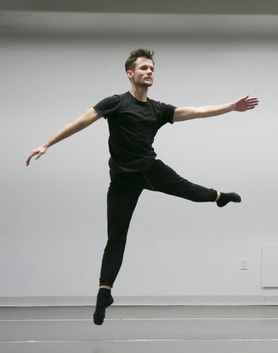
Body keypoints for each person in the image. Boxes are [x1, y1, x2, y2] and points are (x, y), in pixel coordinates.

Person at [26, 49, 259, 326]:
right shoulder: (115, 103)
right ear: (130, 73)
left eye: (152, 69)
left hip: (149, 170)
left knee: (190, 191)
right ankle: (104, 292)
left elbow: (195, 112)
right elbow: (79, 123)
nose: (149, 72)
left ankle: (218, 196)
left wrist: (231, 107)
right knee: (116, 237)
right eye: (144, 68)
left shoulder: (157, 109)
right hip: (122, 179)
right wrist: (47, 144)